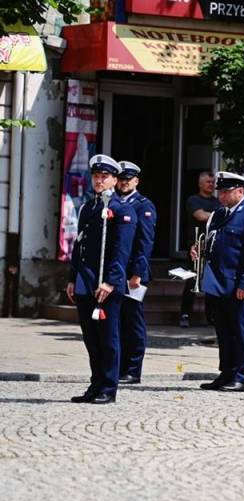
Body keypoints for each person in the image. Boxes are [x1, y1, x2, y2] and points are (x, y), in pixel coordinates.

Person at [65, 154, 138, 404]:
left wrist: (111, 282)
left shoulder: (122, 209)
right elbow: (80, 245)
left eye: (104, 177)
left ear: (115, 180)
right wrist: (73, 277)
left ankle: (108, 387)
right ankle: (95, 384)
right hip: (86, 280)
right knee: (91, 338)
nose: (99, 180)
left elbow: (121, 250)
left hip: (106, 283)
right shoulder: (89, 207)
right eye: (96, 176)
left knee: (108, 338)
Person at [190, 171, 244, 392]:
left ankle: (241, 376)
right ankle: (226, 372)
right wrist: (198, 249)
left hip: (237, 284)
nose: (222, 196)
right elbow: (213, 243)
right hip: (217, 283)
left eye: (226, 192)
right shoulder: (218, 214)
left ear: (240, 192)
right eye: (221, 192)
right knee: (224, 332)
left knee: (241, 332)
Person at [116, 161, 157, 385]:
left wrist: (138, 273)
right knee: (118, 321)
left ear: (136, 181)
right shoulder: (114, 202)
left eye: (128, 179)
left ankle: (133, 369)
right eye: (121, 179)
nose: (124, 183)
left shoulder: (143, 205)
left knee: (133, 322)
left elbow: (145, 241)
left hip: (133, 272)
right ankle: (119, 366)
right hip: (116, 271)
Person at [181, 170, 219, 327]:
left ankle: (211, 316)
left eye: (213, 182)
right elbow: (200, 216)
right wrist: (218, 215)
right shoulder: (193, 200)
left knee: (211, 282)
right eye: (208, 182)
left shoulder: (217, 201)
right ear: (200, 184)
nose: (211, 185)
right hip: (196, 247)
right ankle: (185, 314)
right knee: (192, 281)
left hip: (213, 247)